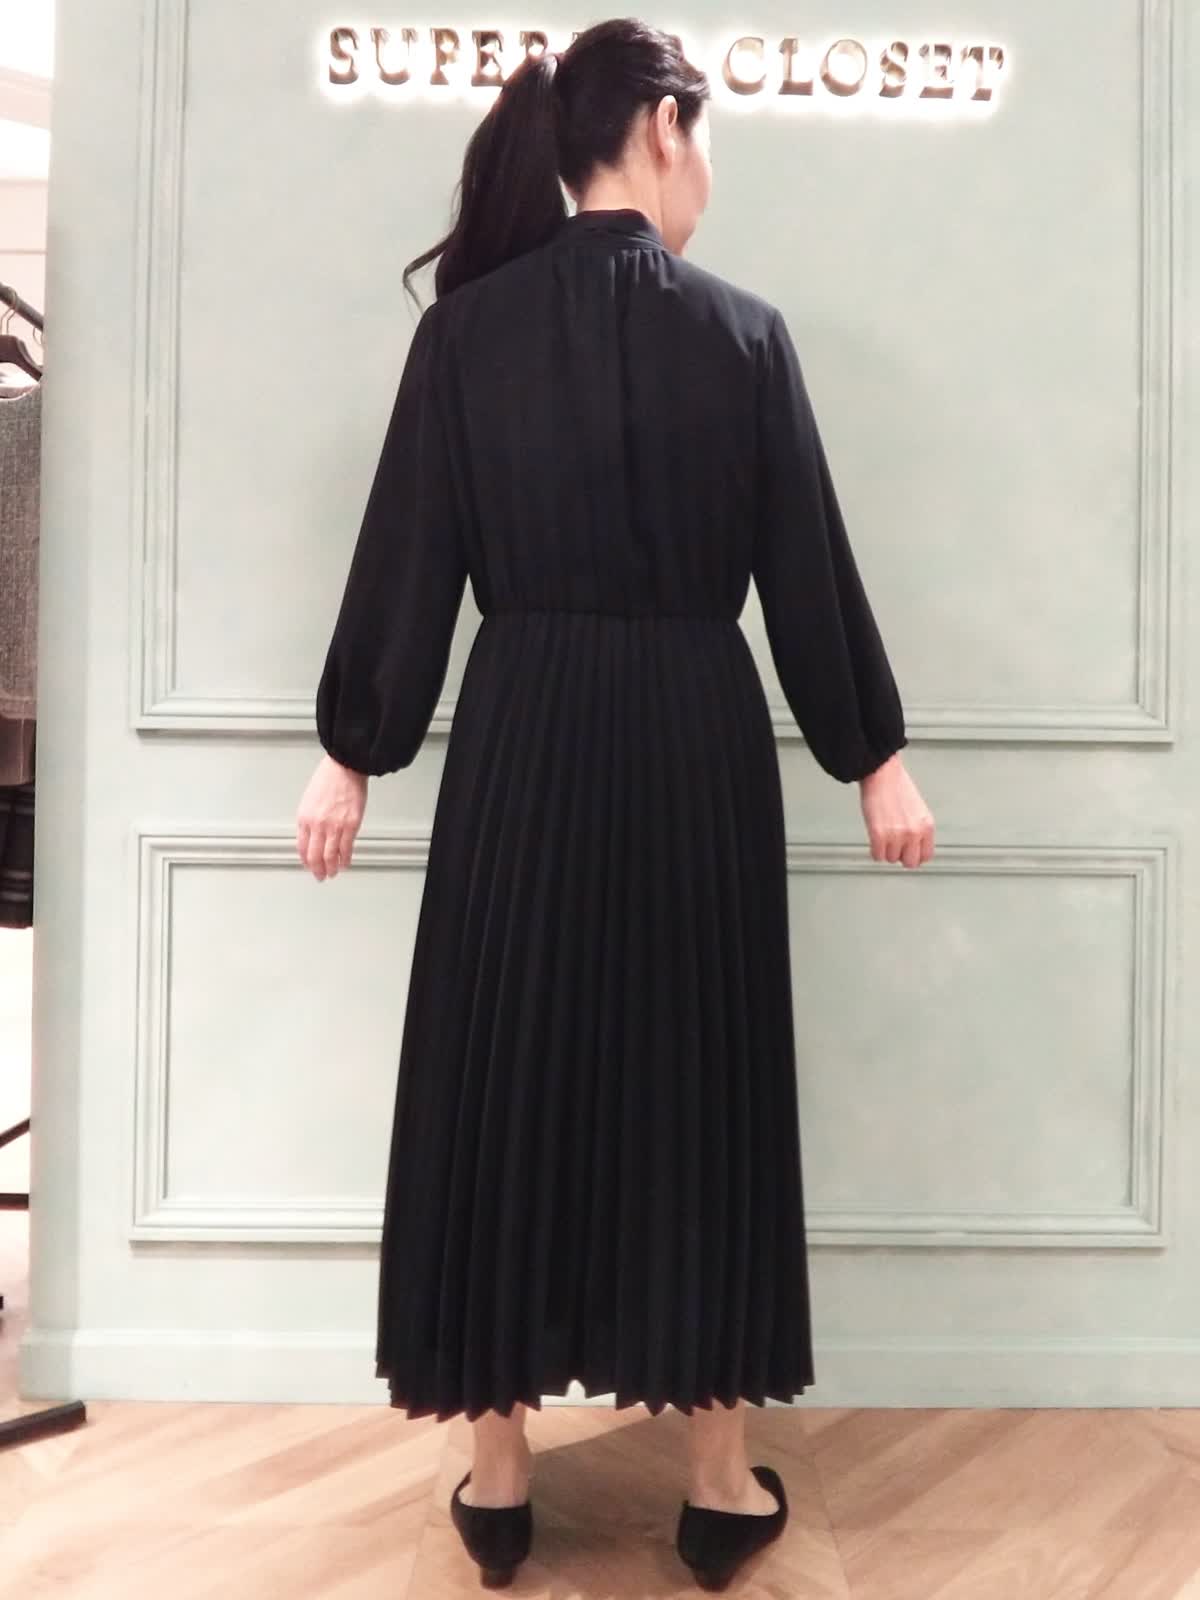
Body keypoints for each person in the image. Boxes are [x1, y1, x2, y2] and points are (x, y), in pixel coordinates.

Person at [296, 16, 935, 1590]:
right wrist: (874, 755)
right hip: (692, 747)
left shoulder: (467, 337)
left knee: (499, 1075)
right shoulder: (744, 335)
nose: (710, 171)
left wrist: (352, 749)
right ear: (661, 126)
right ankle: (716, 1484)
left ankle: (499, 1474)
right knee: (696, 1085)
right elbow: (805, 572)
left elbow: (409, 554)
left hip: (523, 737)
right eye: (706, 138)